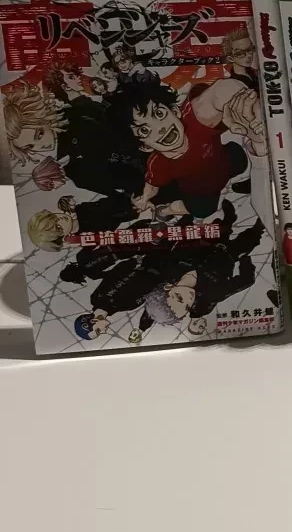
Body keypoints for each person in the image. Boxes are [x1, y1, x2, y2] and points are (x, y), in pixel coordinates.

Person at [69, 200, 266, 343]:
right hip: (165, 278)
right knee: (220, 247)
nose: (103, 332)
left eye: (97, 331)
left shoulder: (101, 298)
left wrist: (135, 262)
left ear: (91, 322)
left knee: (194, 241)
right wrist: (142, 328)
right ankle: (232, 225)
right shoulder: (116, 309)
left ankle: (218, 220)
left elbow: (117, 277)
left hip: (153, 266)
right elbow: (152, 307)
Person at [110, 76, 267, 221]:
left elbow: (221, 91)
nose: (161, 128)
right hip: (200, 192)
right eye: (145, 130)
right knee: (202, 211)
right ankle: (165, 211)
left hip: (224, 163)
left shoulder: (194, 118)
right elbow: (152, 186)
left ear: (174, 110)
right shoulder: (157, 163)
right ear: (144, 146)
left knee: (239, 159)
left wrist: (251, 109)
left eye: (158, 113)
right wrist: (144, 199)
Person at [5, 80, 146, 229]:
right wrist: (132, 203)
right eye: (30, 146)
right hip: (142, 183)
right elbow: (114, 193)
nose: (42, 145)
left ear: (43, 118)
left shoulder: (78, 117)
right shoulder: (74, 171)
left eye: (39, 134)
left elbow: (116, 123)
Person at [222, 25, 259, 93]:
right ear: (230, 58)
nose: (249, 55)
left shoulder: (255, 73)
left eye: (250, 49)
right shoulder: (232, 84)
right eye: (240, 53)